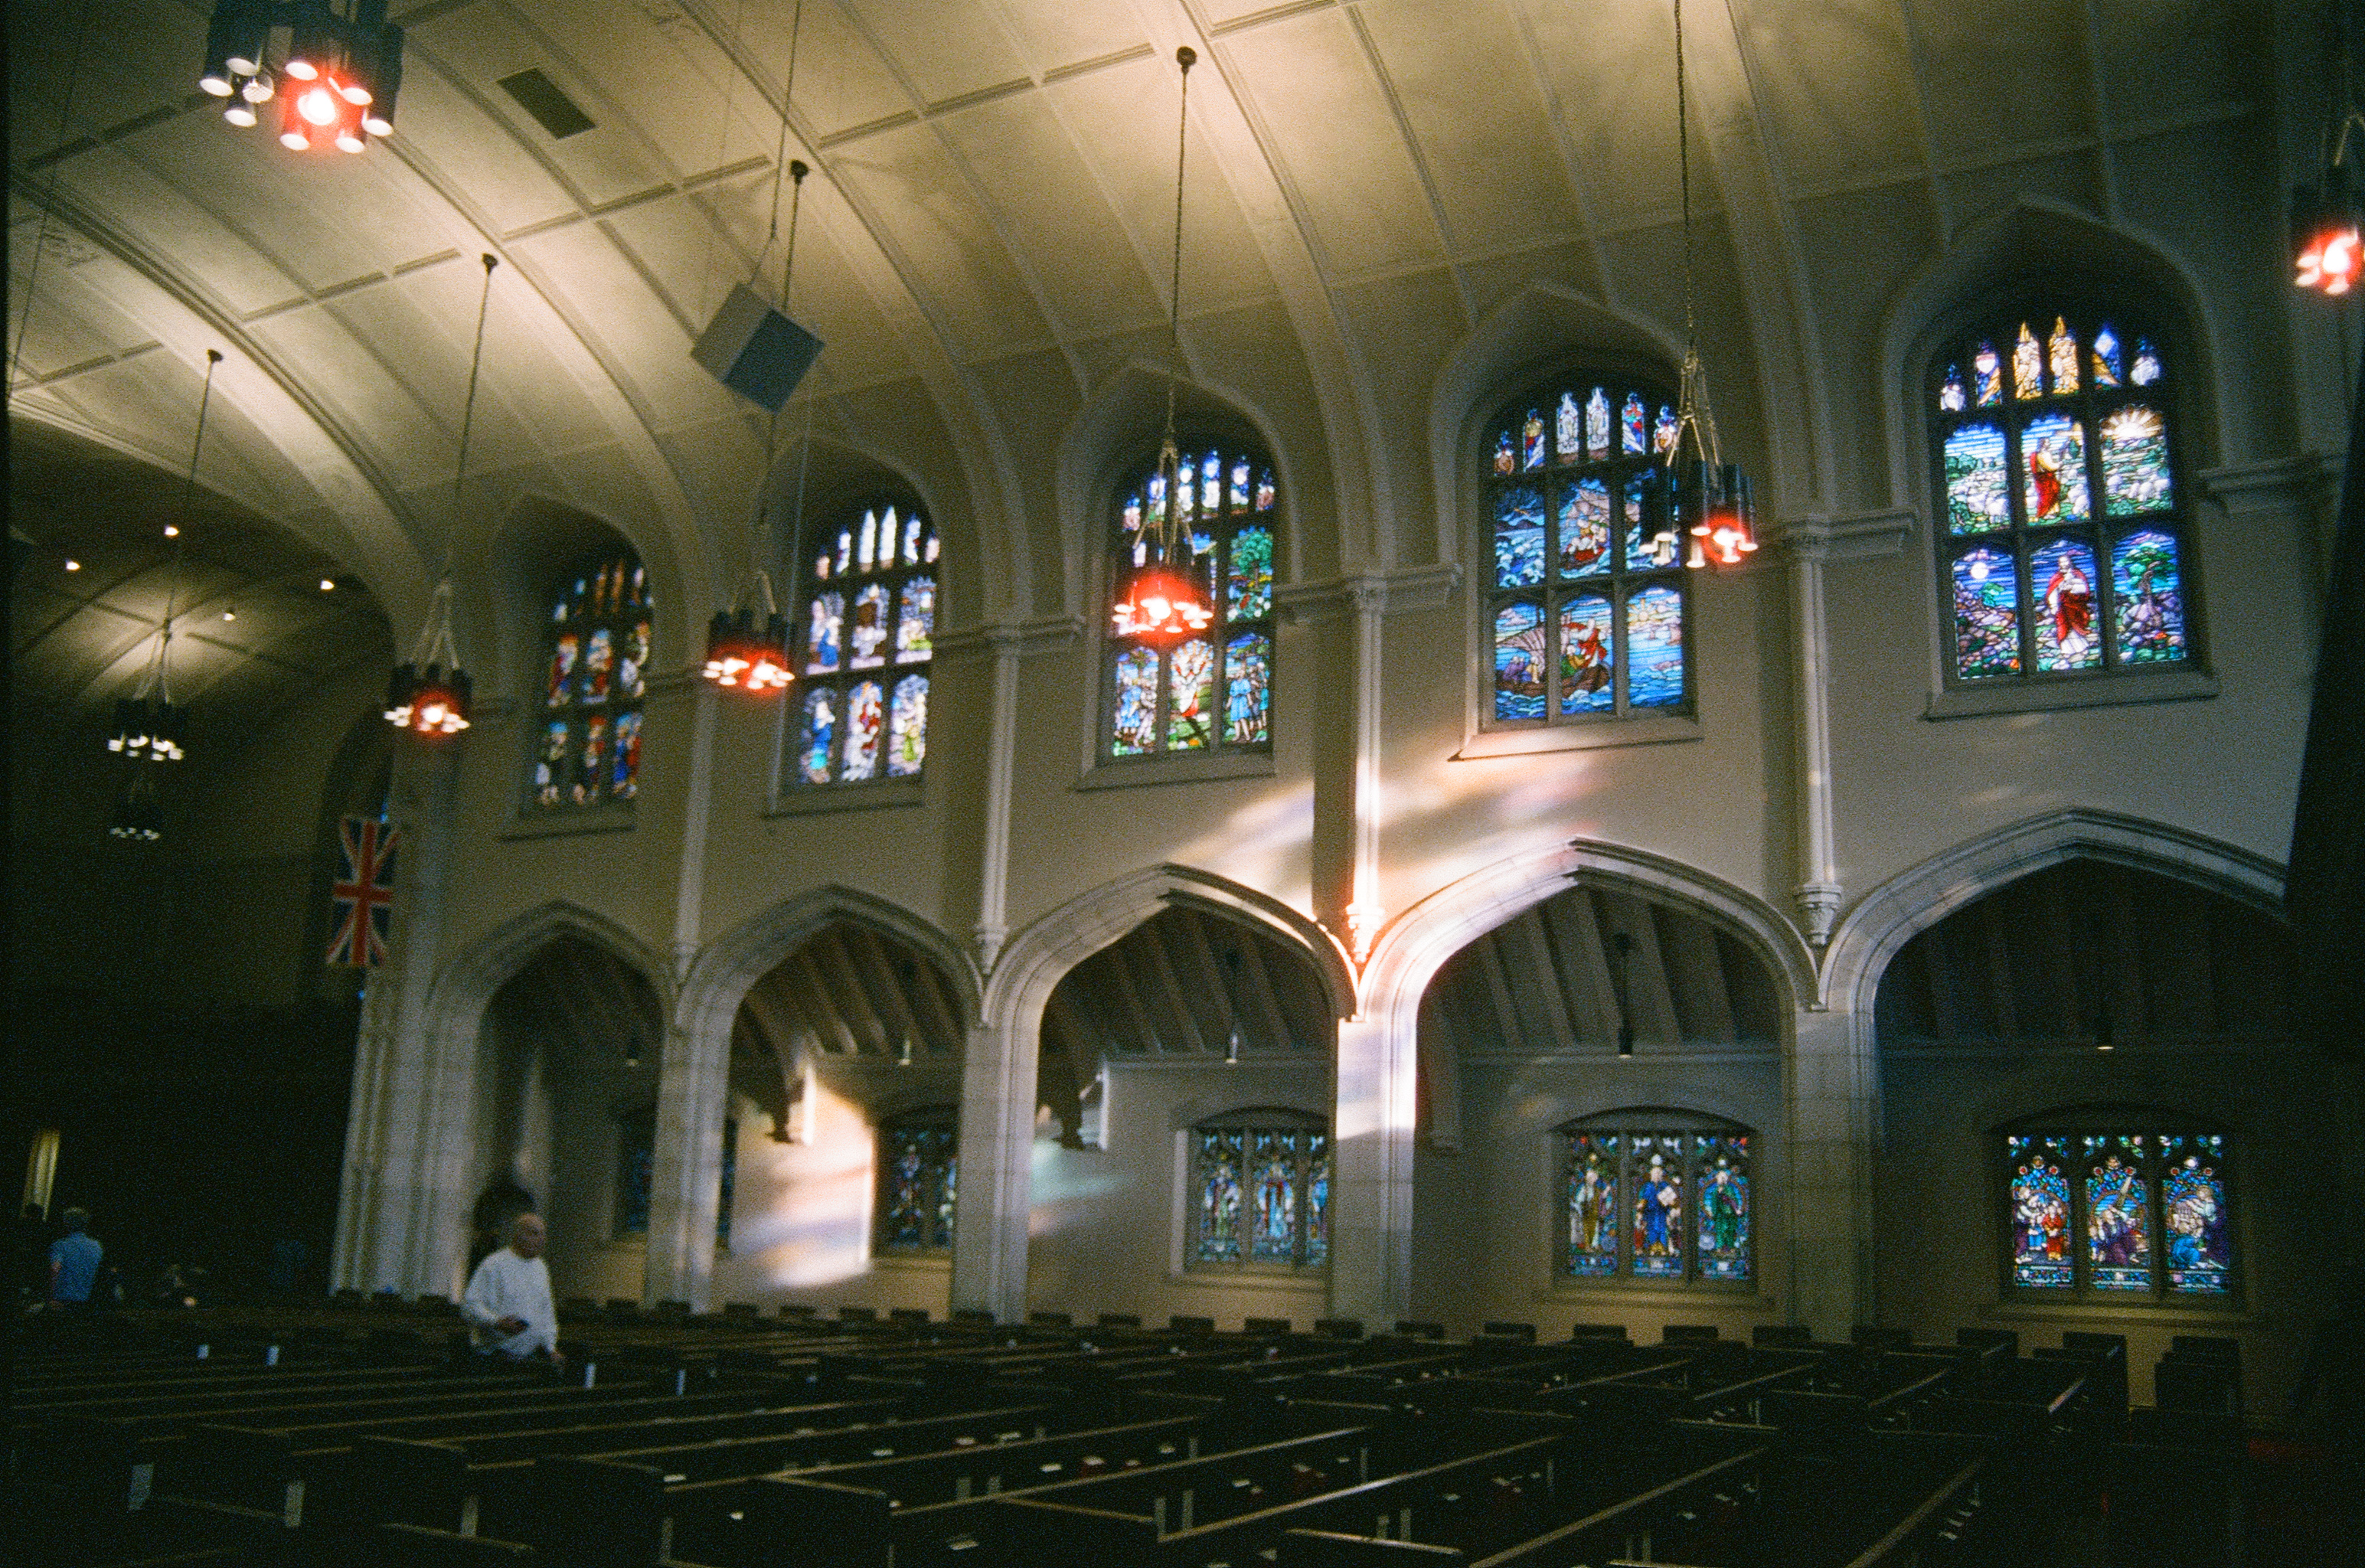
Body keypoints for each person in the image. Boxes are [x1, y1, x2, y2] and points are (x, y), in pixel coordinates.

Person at [461, 1212, 563, 1367]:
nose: (542, 1240)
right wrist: (496, 1322)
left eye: (543, 1234)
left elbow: (546, 1311)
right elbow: (470, 1306)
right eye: (535, 1233)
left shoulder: (541, 1267)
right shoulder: (494, 1264)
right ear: (518, 1235)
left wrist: (551, 1348)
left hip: (530, 1357)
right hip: (496, 1357)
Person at [47, 1207, 102, 1309]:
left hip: (63, 1300)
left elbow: (55, 1269)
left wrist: (50, 1296)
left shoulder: (61, 1245)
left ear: (66, 1224)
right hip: (89, 1300)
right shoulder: (97, 1246)